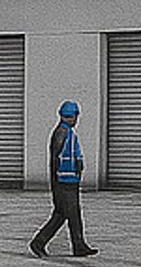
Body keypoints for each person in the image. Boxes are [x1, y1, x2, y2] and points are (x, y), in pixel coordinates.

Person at [31, 100, 97, 258]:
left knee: (66, 214)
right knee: (68, 214)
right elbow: (55, 160)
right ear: (74, 116)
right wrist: (55, 183)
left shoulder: (65, 132)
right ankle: (39, 242)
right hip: (64, 182)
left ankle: (78, 245)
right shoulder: (62, 132)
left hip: (69, 180)